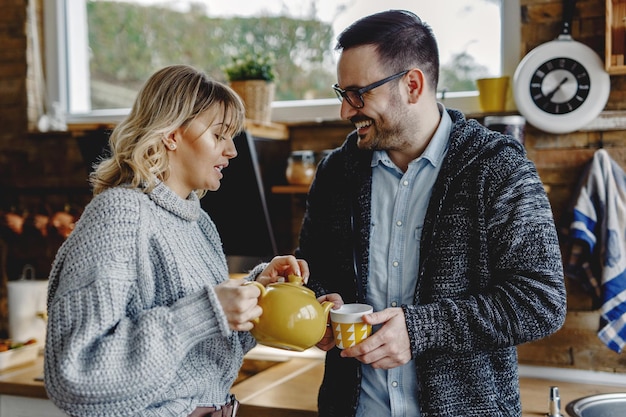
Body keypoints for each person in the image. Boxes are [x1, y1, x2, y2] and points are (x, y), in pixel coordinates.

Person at [297, 10, 567, 417]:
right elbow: (315, 270)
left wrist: (422, 328)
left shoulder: (496, 168)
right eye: (342, 94)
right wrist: (318, 300)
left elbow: (541, 300)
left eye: (358, 94)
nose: (345, 111)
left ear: (412, 85)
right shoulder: (337, 173)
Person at [44, 64, 309, 417]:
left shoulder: (199, 223)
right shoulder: (119, 215)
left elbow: (206, 355)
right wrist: (208, 311)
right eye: (219, 135)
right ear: (171, 134)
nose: (232, 150)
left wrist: (257, 292)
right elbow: (74, 374)